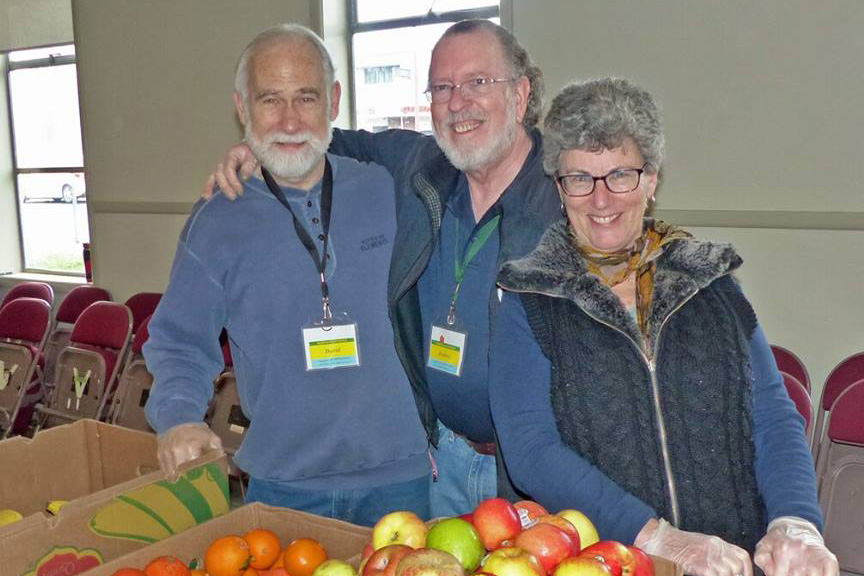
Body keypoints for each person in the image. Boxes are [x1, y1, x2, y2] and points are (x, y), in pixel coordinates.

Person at [206, 20, 561, 517]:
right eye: (442, 87)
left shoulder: (567, 194)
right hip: (440, 461)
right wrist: (261, 145)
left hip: (532, 475)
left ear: (521, 95)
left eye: (479, 82)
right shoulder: (422, 169)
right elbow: (335, 140)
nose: (457, 101)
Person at [490, 77, 838, 576]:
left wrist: (795, 521)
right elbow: (530, 450)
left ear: (651, 180)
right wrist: (657, 537)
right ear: (560, 188)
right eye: (581, 178)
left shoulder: (710, 282)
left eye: (621, 175)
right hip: (611, 562)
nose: (601, 199)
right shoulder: (530, 297)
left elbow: (771, 413)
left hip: (732, 560)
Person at [143, 24, 430, 526]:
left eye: (307, 97)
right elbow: (179, 343)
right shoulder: (218, 218)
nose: (291, 119)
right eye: (270, 100)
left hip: (400, 480)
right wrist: (179, 417)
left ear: (334, 101)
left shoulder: (390, 190)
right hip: (281, 486)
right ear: (242, 108)